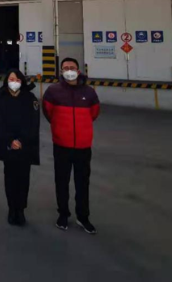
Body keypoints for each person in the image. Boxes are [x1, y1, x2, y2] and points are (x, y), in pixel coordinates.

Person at [43, 57, 100, 234]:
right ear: (61, 71)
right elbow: (48, 112)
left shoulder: (89, 93)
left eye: (72, 67)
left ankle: (83, 217)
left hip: (83, 146)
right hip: (61, 145)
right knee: (62, 181)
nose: (69, 70)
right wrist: (60, 129)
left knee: (82, 183)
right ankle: (63, 214)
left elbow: (94, 113)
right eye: (65, 68)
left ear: (78, 70)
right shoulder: (53, 91)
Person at [0, 69, 40, 226]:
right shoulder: (0, 98)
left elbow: (33, 123)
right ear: (6, 81)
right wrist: (10, 140)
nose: (14, 82)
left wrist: (21, 140)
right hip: (8, 146)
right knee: (10, 179)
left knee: (23, 179)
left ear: (22, 82)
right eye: (11, 79)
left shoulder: (30, 99)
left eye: (17, 80)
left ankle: (21, 210)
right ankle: (12, 209)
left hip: (25, 146)